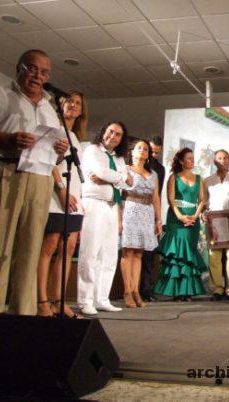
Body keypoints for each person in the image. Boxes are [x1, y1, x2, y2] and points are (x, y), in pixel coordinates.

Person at [0, 49, 69, 322]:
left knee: (31, 247)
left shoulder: (49, 107)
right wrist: (8, 140)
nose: (37, 76)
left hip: (39, 177)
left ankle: (24, 314)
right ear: (19, 69)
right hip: (2, 170)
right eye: (31, 68)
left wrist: (61, 150)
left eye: (43, 72)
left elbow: (55, 153)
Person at [37, 91, 88, 318]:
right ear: (61, 104)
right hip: (57, 196)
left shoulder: (76, 137)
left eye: (78, 103)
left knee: (67, 249)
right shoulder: (53, 127)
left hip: (75, 199)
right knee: (49, 247)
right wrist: (61, 189)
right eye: (70, 101)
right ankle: (41, 302)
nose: (74, 105)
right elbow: (49, 160)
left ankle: (59, 301)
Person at [77, 121, 132, 315]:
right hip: (94, 204)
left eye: (118, 134)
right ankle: (85, 300)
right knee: (90, 252)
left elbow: (129, 183)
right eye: (110, 131)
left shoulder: (118, 158)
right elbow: (101, 172)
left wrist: (115, 178)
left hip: (112, 206)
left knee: (109, 254)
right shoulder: (92, 150)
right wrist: (120, 178)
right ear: (103, 131)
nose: (113, 136)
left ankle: (102, 298)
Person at [155, 148, 207, 300]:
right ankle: (176, 291)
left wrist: (195, 216)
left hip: (193, 219)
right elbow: (171, 199)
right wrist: (181, 217)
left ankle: (187, 292)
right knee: (178, 254)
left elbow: (202, 199)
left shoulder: (199, 178)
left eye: (193, 158)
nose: (192, 160)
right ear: (181, 161)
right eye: (189, 158)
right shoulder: (174, 177)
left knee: (189, 253)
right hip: (177, 219)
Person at [121, 139, 162, 308]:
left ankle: (136, 290)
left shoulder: (153, 174)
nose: (143, 151)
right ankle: (127, 291)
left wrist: (158, 219)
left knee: (139, 253)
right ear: (132, 151)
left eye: (145, 149)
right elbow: (119, 193)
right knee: (127, 251)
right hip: (130, 209)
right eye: (139, 148)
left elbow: (156, 197)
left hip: (146, 211)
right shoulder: (125, 170)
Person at [203, 149, 229, 301]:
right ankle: (217, 289)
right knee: (214, 256)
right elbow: (204, 201)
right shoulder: (207, 181)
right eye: (220, 158)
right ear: (214, 161)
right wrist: (203, 214)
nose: (223, 161)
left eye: (226, 158)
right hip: (214, 221)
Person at [140, 135, 165, 301]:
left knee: (149, 253)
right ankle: (131, 289)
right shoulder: (135, 164)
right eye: (151, 151)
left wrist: (158, 218)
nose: (153, 155)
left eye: (157, 152)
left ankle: (146, 290)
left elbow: (158, 195)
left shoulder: (160, 169)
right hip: (134, 210)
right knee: (133, 252)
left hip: (150, 211)